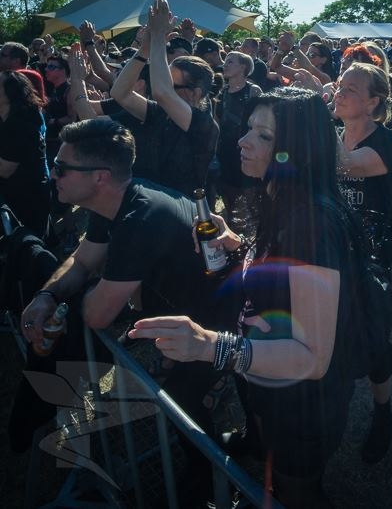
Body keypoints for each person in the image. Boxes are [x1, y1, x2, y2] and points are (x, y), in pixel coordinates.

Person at [130, 86, 370, 507]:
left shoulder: (311, 224)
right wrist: (238, 245)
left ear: (296, 152)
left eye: (264, 135)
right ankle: (256, 446)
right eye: (248, 129)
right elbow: (285, 270)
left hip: (302, 403)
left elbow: (312, 358)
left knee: (296, 492)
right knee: (266, 451)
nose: (242, 141)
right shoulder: (280, 198)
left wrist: (210, 345)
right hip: (267, 378)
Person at [17, 116, 225, 501]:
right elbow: (82, 261)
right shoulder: (113, 200)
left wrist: (72, 301)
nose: (53, 174)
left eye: (61, 167)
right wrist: (48, 296)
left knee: (185, 404)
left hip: (217, 323)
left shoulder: (139, 218)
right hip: (183, 312)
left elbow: (97, 315)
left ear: (99, 177)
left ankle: (209, 482)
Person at [333, 62, 392, 464]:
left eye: (351, 89)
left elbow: (346, 164)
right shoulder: (335, 135)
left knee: (375, 343)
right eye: (339, 85)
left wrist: (310, 122)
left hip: (371, 263)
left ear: (375, 101)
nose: (339, 92)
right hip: (332, 253)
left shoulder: (388, 142)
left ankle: (383, 413)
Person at [110, 0, 219, 195]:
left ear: (196, 93)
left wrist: (159, 35)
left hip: (183, 208)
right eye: (166, 80)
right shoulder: (161, 112)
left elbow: (161, 92)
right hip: (150, 201)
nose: (164, 86)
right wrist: (144, 49)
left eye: (173, 85)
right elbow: (120, 93)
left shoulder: (204, 124)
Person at [0, 71, 50, 237]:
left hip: (28, 196)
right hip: (13, 193)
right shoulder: (5, 119)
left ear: (10, 93)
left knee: (29, 242)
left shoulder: (21, 123)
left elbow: (5, 170)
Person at [215, 51, 262, 226]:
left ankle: (257, 229)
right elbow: (216, 122)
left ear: (243, 67)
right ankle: (233, 229)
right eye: (225, 61)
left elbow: (262, 120)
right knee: (229, 197)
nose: (225, 65)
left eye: (230, 62)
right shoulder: (221, 92)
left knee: (251, 197)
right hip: (226, 151)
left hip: (247, 150)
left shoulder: (253, 91)